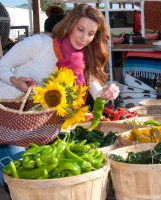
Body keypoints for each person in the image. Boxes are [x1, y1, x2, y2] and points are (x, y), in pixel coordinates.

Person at [0, 4, 119, 185]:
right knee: (11, 176)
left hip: (30, 124)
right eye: (80, 29)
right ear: (70, 24)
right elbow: (2, 66)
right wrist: (14, 80)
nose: (84, 38)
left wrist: (108, 92)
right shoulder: (40, 44)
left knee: (35, 175)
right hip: (6, 115)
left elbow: (94, 85)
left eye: (91, 33)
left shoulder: (81, 57)